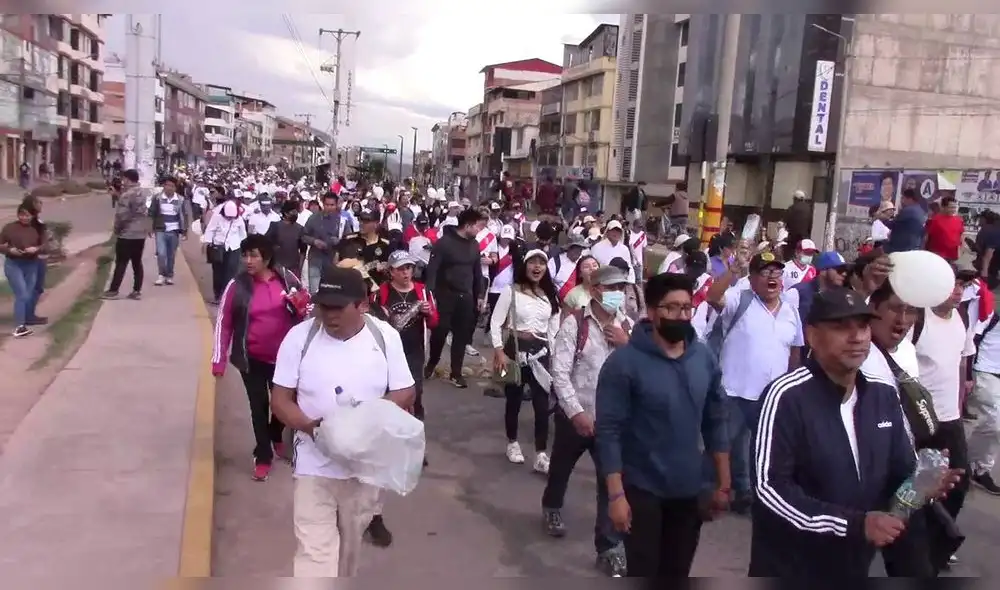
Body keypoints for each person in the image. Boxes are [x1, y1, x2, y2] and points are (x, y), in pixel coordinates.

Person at [750, 287, 941, 577]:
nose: (857, 337)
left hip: (853, 566)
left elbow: (899, 475)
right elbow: (770, 488)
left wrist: (921, 486)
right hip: (791, 566)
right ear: (812, 336)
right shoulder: (786, 396)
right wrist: (853, 525)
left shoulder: (883, 394)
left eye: (863, 326)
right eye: (841, 327)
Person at [270, 266, 415, 577]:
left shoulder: (385, 337)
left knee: (348, 555)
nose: (329, 315)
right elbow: (280, 400)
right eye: (323, 306)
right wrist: (312, 427)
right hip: (313, 465)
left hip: (364, 469)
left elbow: (405, 390)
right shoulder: (299, 338)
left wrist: (365, 421)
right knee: (315, 554)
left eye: (338, 308)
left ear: (362, 305)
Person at [596, 272, 730, 577]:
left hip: (688, 490)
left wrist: (723, 483)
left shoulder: (703, 358)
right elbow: (609, 432)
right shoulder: (624, 364)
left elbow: (716, 420)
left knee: (677, 571)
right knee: (644, 571)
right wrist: (616, 496)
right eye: (672, 308)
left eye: (686, 308)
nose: (681, 315)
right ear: (653, 312)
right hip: (642, 490)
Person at [545, 265, 634, 576]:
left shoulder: (628, 326)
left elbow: (640, 367)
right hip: (577, 415)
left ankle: (608, 546)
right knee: (561, 468)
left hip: (611, 423)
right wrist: (575, 413)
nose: (618, 294)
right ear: (596, 290)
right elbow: (560, 373)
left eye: (622, 288)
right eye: (612, 288)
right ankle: (552, 508)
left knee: (610, 482)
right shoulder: (575, 324)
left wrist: (627, 344)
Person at [705, 250, 804, 514]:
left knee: (755, 449)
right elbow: (713, 297)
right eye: (765, 271)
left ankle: (746, 494)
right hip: (733, 390)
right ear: (752, 277)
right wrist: (732, 272)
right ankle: (709, 492)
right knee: (722, 445)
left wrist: (789, 388)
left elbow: (795, 350)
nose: (772, 277)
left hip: (769, 397)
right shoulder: (741, 299)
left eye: (776, 272)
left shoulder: (791, 311)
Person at [858, 281, 938, 577]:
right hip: (862, 483)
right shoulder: (856, 351)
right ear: (873, 308)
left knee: (915, 567)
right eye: (895, 308)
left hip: (904, 480)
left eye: (911, 311)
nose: (902, 319)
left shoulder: (907, 352)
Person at [211, 234, 304, 481]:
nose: (248, 261)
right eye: (245, 255)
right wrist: (218, 359)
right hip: (250, 358)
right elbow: (224, 322)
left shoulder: (286, 279)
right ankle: (263, 455)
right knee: (258, 406)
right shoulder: (237, 285)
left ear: (267, 258)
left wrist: (299, 305)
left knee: (282, 405)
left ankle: (275, 435)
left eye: (254, 255)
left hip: (284, 360)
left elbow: (307, 306)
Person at [490, 249, 560, 471]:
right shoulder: (511, 292)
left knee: (542, 406)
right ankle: (512, 443)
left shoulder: (550, 296)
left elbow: (553, 329)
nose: (537, 267)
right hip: (514, 351)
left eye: (542, 263)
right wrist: (499, 351)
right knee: (514, 401)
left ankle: (541, 454)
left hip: (541, 354)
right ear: (525, 265)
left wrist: (555, 356)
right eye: (533, 262)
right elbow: (495, 322)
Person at [424, 208, 487, 388]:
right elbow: (432, 271)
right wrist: (430, 295)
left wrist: (480, 295)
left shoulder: (474, 245)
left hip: (465, 297)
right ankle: (431, 363)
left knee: (462, 336)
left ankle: (456, 373)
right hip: (444, 296)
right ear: (467, 225)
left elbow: (477, 272)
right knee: (439, 333)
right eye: (477, 226)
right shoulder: (444, 243)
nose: (479, 230)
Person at [0, 204, 46, 337]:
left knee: (28, 294)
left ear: (32, 215)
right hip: (13, 264)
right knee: (22, 294)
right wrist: (9, 250)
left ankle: (24, 320)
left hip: (31, 264)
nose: (24, 217)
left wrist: (36, 249)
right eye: (21, 215)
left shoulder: (37, 228)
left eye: (27, 215)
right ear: (18, 215)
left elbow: (45, 245)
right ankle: (20, 327)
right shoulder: (9, 228)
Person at [104, 169, 148, 301]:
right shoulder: (142, 192)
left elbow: (122, 215)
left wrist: (117, 230)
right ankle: (136, 291)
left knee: (121, 262)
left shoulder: (127, 195)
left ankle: (113, 291)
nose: (123, 182)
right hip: (140, 234)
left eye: (124, 179)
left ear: (128, 179)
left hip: (127, 234)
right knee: (137, 262)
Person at [302, 191, 352, 293]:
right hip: (316, 261)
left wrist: (339, 242)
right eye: (327, 205)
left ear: (336, 204)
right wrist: (314, 241)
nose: (329, 207)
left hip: (334, 262)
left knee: (332, 293)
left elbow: (350, 241)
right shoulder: (313, 218)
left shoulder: (342, 221)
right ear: (323, 204)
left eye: (332, 205)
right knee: (315, 293)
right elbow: (303, 236)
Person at [201, 199, 248, 305]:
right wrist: (207, 243)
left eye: (232, 217)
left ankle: (227, 296)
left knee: (231, 272)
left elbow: (243, 234)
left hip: (233, 248)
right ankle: (217, 295)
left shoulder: (239, 219)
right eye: (228, 217)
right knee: (218, 273)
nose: (230, 219)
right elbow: (210, 230)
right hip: (218, 247)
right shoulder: (217, 217)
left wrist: (239, 245)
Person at [149, 176, 190, 286]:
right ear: (164, 186)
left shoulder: (180, 200)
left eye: (172, 186)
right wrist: (150, 227)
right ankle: (161, 275)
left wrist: (185, 231)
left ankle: (169, 275)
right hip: (160, 229)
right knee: (161, 253)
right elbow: (151, 213)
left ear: (175, 188)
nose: (169, 188)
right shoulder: (157, 198)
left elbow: (185, 216)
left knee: (171, 254)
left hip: (174, 230)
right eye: (167, 185)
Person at [265, 200, 307, 274]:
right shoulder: (275, 226)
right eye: (293, 211)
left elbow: (303, 251)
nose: (295, 213)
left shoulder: (300, 229)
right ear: (286, 213)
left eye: (296, 211)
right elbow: (265, 245)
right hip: (276, 267)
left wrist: (299, 269)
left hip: (293, 268)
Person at [884, 188, 927, 253]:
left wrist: (882, 218)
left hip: (901, 247)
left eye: (903, 198)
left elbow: (891, 225)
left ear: (909, 199)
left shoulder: (908, 211)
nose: (902, 201)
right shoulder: (921, 211)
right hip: (914, 247)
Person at [925, 196, 964, 262]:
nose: (954, 210)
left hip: (952, 256)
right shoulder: (934, 220)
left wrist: (961, 251)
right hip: (936, 256)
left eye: (955, 207)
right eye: (951, 207)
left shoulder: (959, 220)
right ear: (943, 207)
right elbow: (926, 237)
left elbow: (961, 236)